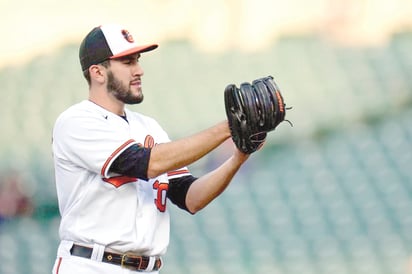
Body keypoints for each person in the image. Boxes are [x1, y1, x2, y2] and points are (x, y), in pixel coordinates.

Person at [51, 23, 257, 274]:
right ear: (98, 72)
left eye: (137, 60)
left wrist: (239, 156)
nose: (139, 70)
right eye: (127, 62)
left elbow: (190, 197)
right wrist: (229, 128)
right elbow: (144, 163)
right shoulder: (76, 121)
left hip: (147, 268)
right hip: (91, 265)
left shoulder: (149, 127)